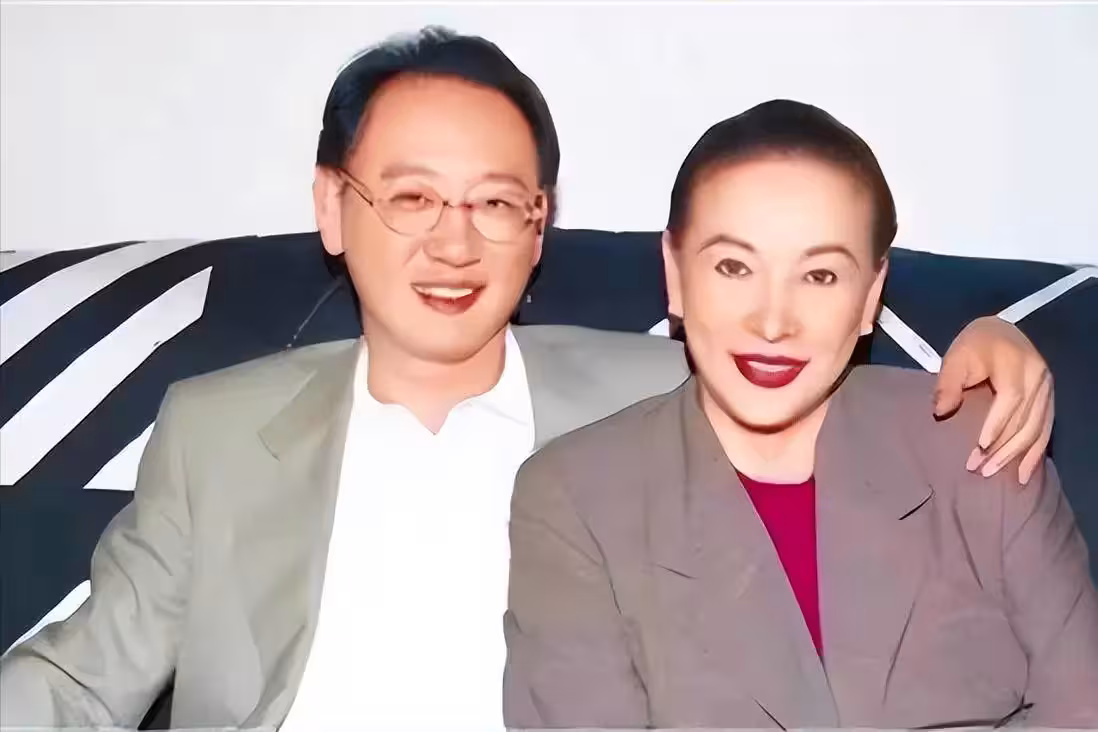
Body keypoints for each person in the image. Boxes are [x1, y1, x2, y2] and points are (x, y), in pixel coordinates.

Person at [0, 28, 1059, 731]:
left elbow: (814, 362)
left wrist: (992, 342)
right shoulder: (218, 432)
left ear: (540, 226)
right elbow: (82, 679)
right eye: (412, 198)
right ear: (332, 206)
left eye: (498, 204)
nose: (455, 243)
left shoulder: (665, 394)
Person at [502, 99, 1098, 729]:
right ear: (675, 274)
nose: (773, 322)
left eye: (819, 276)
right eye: (734, 267)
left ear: (870, 295)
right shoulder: (576, 499)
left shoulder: (979, 445)